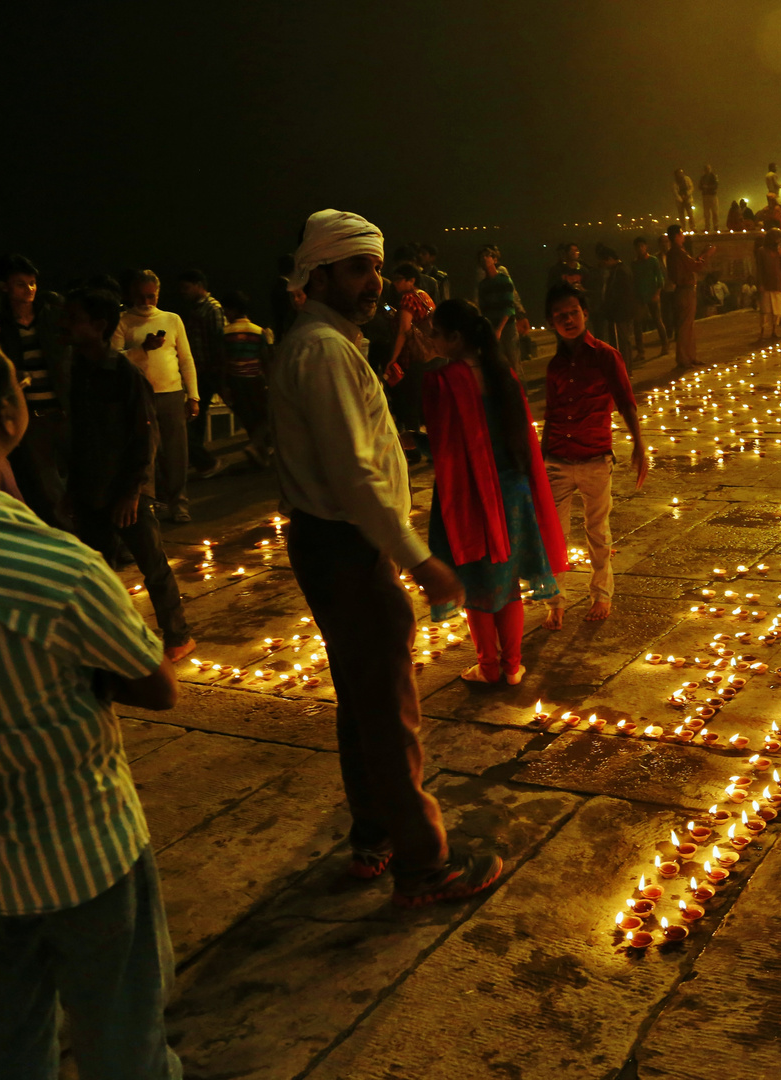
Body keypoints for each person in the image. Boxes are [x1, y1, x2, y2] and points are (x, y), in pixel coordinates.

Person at [0, 330, 183, 1078]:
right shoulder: (56, 565)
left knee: (6, 1038)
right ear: (8, 416)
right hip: (87, 849)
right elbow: (156, 683)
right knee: (123, 1038)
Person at [269, 208, 502, 907]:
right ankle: (424, 867)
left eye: (375, 267)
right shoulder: (322, 352)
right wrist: (415, 556)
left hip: (338, 544)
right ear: (317, 275)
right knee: (389, 709)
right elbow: (353, 473)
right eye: (356, 268)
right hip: (348, 547)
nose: (372, 281)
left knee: (363, 700)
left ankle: (372, 836)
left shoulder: (332, 343)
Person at [421, 300, 567, 684]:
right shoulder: (504, 373)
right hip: (514, 492)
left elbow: (445, 445)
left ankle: (488, 667)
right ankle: (512, 665)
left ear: (454, 338)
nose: (430, 338)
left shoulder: (443, 379)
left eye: (434, 332)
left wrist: (413, 442)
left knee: (476, 583)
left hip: (470, 494)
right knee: (507, 582)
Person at [61, 286, 196, 660]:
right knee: (99, 570)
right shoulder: (79, 371)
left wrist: (133, 492)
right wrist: (73, 487)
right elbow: (81, 435)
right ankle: (111, 637)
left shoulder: (123, 373)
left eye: (75, 319)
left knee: (151, 563)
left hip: (126, 489)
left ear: (99, 325)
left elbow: (145, 435)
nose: (66, 326)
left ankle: (177, 635)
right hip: (92, 488)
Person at [539, 283, 647, 627]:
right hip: (557, 458)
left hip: (594, 457)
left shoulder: (605, 355)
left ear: (585, 313)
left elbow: (626, 400)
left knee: (598, 532)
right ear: (552, 322)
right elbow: (552, 414)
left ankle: (601, 594)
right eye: (559, 316)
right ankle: (555, 601)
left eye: (573, 312)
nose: (567, 319)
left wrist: (639, 446)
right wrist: (539, 462)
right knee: (553, 535)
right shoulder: (555, 365)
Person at [116, 269, 199, 523]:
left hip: (172, 393)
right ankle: (148, 506)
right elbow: (115, 358)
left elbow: (185, 358)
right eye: (140, 297)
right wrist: (143, 348)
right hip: (140, 397)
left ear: (158, 294)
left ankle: (179, 503)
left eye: (151, 296)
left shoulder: (172, 320)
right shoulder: (123, 321)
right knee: (145, 456)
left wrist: (193, 395)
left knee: (176, 453)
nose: (146, 302)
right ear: (131, 294)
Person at [0, 253, 68, 525]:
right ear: (5, 287)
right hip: (32, 416)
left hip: (63, 410)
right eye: (21, 284)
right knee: (49, 488)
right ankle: (68, 539)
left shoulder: (52, 314)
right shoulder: (1, 325)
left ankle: (106, 544)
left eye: (33, 282)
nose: (30, 289)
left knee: (87, 477)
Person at [176, 269, 227, 480]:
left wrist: (218, 371)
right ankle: (200, 460)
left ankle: (204, 462)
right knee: (195, 418)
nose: (183, 293)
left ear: (199, 285)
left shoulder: (212, 308)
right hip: (199, 373)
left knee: (193, 419)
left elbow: (219, 341)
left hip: (209, 372)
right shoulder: (195, 309)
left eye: (186, 288)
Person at [382, 262, 437, 440]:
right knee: (427, 402)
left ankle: (415, 444)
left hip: (413, 357)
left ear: (411, 280)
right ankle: (436, 440)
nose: (395, 284)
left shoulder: (408, 298)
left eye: (399, 280)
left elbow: (404, 330)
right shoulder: (424, 296)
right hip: (430, 354)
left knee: (411, 402)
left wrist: (394, 358)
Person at [220, 290, 274, 466]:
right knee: (265, 416)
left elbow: (223, 361)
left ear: (234, 310)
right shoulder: (258, 332)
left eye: (226, 310)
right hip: (256, 380)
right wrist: (270, 381)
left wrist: (224, 387)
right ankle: (259, 449)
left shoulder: (225, 332)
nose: (225, 315)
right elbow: (265, 359)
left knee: (248, 418)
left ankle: (259, 452)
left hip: (235, 381)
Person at [664, 224, 715, 369]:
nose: (684, 236)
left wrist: (701, 255)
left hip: (683, 291)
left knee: (689, 325)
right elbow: (695, 266)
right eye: (681, 233)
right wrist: (706, 256)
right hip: (685, 291)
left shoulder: (675, 253)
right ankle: (684, 358)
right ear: (676, 236)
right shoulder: (678, 252)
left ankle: (690, 356)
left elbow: (690, 263)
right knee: (685, 326)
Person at [475, 244, 530, 373]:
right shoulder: (483, 285)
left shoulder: (504, 280)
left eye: (487, 256)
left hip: (507, 327)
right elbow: (484, 309)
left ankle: (522, 392)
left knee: (514, 363)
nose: (484, 259)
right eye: (481, 257)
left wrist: (499, 329)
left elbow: (509, 307)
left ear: (494, 259)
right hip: (492, 327)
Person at [595, 244, 640, 360]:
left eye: (603, 262)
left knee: (620, 344)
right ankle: (626, 370)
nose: (603, 265)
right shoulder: (623, 269)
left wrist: (606, 310)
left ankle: (623, 370)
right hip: (625, 313)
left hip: (619, 315)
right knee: (625, 342)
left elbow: (617, 296)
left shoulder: (618, 273)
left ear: (609, 259)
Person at [631, 236, 667, 360]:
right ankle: (641, 352)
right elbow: (634, 280)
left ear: (646, 247)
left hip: (653, 295)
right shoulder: (634, 263)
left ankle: (665, 346)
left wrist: (657, 293)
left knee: (658, 320)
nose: (640, 248)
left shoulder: (653, 260)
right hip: (640, 297)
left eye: (642, 246)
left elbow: (660, 278)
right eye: (638, 247)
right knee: (637, 324)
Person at [755, 234, 781, 345]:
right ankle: (762, 333)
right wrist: (760, 284)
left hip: (777, 284)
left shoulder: (779, 251)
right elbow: (759, 268)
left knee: (777, 311)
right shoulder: (762, 251)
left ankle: (774, 331)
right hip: (766, 284)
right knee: (765, 310)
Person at [699, 165, 720, 232]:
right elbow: (699, 186)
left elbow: (716, 185)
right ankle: (707, 227)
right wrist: (704, 187)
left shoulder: (713, 176)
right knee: (706, 213)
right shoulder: (703, 178)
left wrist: (707, 187)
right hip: (705, 196)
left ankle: (716, 226)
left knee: (714, 212)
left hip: (712, 195)